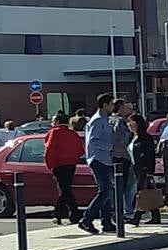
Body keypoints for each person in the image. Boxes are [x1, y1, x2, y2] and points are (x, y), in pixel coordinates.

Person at [78, 93, 119, 234]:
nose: (113, 106)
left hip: (105, 159)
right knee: (105, 191)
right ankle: (86, 219)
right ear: (105, 105)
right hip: (98, 159)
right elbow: (93, 141)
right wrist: (111, 147)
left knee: (108, 191)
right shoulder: (97, 121)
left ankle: (106, 222)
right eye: (111, 104)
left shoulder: (105, 120)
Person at [43, 111, 84, 224]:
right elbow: (81, 150)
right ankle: (70, 213)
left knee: (64, 190)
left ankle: (63, 214)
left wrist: (49, 165)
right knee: (66, 189)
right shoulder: (73, 133)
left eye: (53, 121)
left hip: (58, 165)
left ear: (57, 122)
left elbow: (49, 150)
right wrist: (72, 157)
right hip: (71, 165)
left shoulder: (54, 132)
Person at [128, 113, 161, 225]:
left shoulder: (145, 137)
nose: (129, 125)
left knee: (141, 193)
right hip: (136, 169)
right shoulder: (133, 137)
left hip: (144, 169)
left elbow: (150, 155)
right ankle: (155, 216)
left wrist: (149, 171)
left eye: (131, 123)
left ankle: (136, 217)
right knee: (148, 192)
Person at [111, 99, 137, 223]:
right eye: (127, 107)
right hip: (122, 157)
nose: (129, 109)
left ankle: (119, 212)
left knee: (118, 187)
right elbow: (122, 140)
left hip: (114, 157)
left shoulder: (109, 120)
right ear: (120, 108)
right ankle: (124, 213)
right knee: (126, 186)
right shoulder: (120, 121)